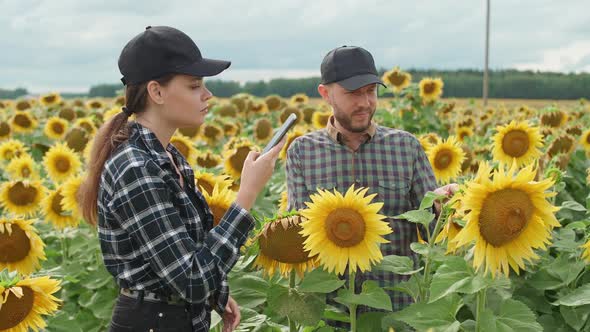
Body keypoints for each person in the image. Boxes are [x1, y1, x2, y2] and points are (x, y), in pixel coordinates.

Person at [77, 26, 284, 332]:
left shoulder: (169, 158)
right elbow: (191, 280)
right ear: (156, 92)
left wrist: (216, 293)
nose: (207, 94)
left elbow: (187, 257)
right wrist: (246, 195)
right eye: (193, 86)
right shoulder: (137, 168)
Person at [285, 45, 457, 328]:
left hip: (396, 310)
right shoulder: (303, 152)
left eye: (370, 91)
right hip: (332, 312)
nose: (365, 102)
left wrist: (441, 204)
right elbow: (299, 230)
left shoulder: (405, 147)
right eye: (353, 93)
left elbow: (430, 224)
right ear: (326, 94)